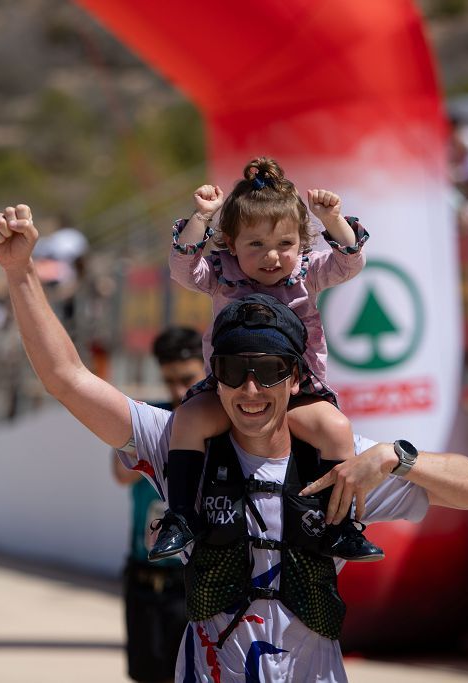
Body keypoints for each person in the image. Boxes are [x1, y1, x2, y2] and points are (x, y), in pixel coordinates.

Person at [0, 203, 468, 683]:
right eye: (233, 371)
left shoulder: (339, 463)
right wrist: (20, 273)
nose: (250, 390)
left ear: (298, 378)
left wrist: (396, 456)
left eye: (269, 371)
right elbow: (66, 378)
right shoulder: (178, 445)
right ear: (214, 375)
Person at [153, 157, 380, 565]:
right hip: (230, 388)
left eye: (285, 244)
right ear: (231, 242)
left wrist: (332, 218)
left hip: (297, 391)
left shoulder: (307, 274)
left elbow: (350, 261)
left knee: (336, 428)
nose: (271, 257)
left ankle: (339, 527)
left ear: (303, 243)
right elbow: (183, 268)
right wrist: (200, 218)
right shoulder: (222, 274)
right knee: (187, 419)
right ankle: (181, 516)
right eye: (255, 244)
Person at [111, 327, 205, 683]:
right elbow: (120, 474)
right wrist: (171, 431)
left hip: (194, 581)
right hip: (143, 576)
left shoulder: (220, 423)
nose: (179, 391)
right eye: (170, 381)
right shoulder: (156, 420)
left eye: (188, 379)